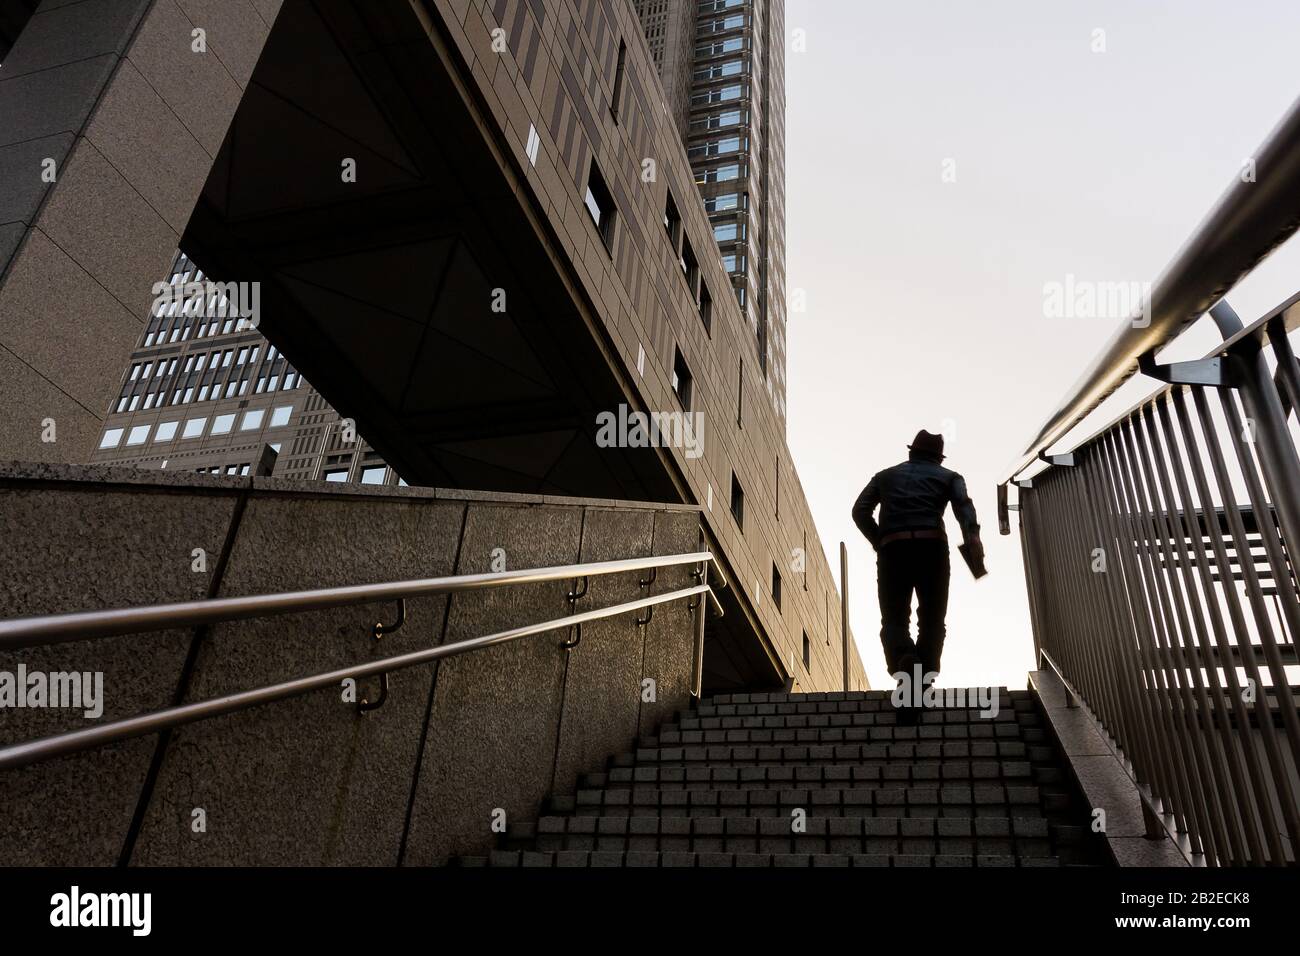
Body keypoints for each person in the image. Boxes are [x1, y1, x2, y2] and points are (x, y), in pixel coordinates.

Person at [851, 430, 983, 717]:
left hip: (892, 549)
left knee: (895, 619)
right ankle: (921, 681)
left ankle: (903, 659)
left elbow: (859, 511)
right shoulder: (950, 477)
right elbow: (964, 508)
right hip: (932, 547)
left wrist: (879, 541)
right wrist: (972, 538)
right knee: (932, 619)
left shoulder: (884, 476)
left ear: (911, 452)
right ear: (938, 457)